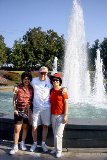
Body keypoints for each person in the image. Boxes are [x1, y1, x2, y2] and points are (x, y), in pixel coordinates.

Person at [10, 72, 33, 155]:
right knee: (17, 129)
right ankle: (15, 146)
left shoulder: (32, 88)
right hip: (19, 110)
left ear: (30, 80)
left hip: (27, 111)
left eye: (28, 79)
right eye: (25, 79)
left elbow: (33, 100)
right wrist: (15, 109)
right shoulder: (18, 87)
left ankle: (22, 143)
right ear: (22, 79)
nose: (26, 80)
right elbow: (14, 99)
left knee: (25, 127)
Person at [30, 66, 51, 152]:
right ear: (39, 73)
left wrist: (64, 89)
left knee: (45, 126)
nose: (43, 74)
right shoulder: (34, 81)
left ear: (47, 73)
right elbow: (25, 84)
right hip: (36, 107)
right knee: (34, 126)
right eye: (41, 73)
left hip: (46, 108)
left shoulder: (50, 80)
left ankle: (43, 144)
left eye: (45, 73)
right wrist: (17, 87)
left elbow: (59, 85)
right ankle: (34, 143)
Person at [50, 73, 68, 158]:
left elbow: (66, 103)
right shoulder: (51, 91)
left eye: (57, 80)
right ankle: (55, 148)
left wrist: (65, 115)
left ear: (60, 81)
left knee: (59, 134)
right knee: (54, 133)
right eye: (54, 80)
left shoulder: (63, 91)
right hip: (53, 115)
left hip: (61, 115)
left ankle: (59, 150)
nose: (55, 81)